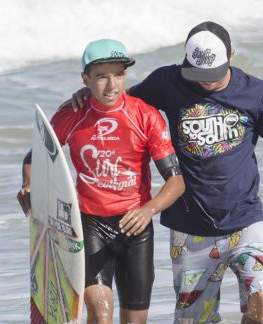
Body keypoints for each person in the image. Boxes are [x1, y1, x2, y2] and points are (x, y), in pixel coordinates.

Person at [69, 22, 263, 324]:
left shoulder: (258, 93)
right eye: (198, 75)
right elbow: (120, 103)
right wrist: (87, 93)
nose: (205, 83)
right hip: (189, 227)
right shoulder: (168, 81)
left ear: (231, 56)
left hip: (245, 221)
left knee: (262, 296)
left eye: (213, 75)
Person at [17, 38, 185, 324]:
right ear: (85, 79)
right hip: (90, 225)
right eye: (101, 77)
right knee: (100, 308)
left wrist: (149, 209)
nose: (111, 85)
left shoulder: (145, 116)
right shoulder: (70, 116)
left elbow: (176, 181)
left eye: (118, 75)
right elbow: (34, 158)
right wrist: (30, 185)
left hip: (136, 228)